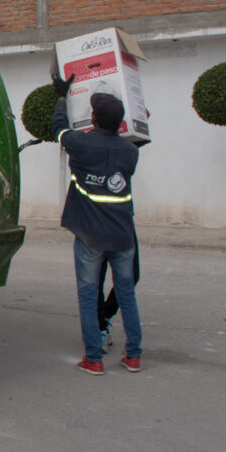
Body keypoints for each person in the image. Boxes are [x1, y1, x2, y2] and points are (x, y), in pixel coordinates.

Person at [49, 70, 143, 375]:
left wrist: (62, 96)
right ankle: (134, 356)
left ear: (95, 119)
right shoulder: (130, 152)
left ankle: (93, 358)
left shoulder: (80, 144)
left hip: (90, 236)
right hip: (122, 235)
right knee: (127, 293)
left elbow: (59, 129)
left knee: (89, 295)